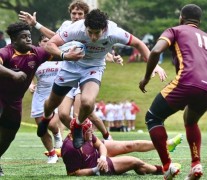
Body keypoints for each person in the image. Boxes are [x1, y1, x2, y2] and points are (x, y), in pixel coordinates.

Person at [39, 9, 167, 149]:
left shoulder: (114, 32)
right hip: (70, 66)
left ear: (104, 29)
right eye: (90, 32)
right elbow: (50, 45)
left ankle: (78, 125)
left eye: (97, 33)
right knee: (51, 103)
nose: (93, 37)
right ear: (85, 27)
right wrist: (65, 56)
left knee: (88, 103)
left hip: (93, 68)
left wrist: (154, 66)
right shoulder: (76, 28)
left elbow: (139, 44)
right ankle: (45, 118)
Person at [139, 4, 207, 180]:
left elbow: (156, 51)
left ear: (181, 18)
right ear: (199, 21)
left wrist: (146, 78)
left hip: (187, 81)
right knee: (190, 120)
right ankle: (196, 164)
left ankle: (167, 166)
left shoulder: (175, 30)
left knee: (153, 117)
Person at [19, 1, 114, 140]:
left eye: (80, 14)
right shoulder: (66, 26)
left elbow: (101, 45)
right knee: (63, 114)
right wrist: (36, 24)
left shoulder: (93, 29)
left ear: (86, 16)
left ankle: (105, 138)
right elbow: (54, 38)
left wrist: (111, 56)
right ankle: (84, 138)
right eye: (74, 13)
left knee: (86, 110)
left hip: (87, 74)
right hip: (69, 72)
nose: (76, 16)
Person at [0, 22, 80, 176]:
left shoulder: (37, 53)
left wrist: (70, 55)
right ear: (14, 40)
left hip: (15, 101)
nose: (28, 39)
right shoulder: (6, 52)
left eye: (29, 36)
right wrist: (13, 74)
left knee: (9, 134)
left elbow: (58, 55)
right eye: (23, 37)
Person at [62, 119, 182, 176]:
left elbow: (100, 145)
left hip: (99, 157)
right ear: (78, 133)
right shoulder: (70, 148)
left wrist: (103, 157)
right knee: (135, 161)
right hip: (95, 167)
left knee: (131, 144)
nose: (91, 132)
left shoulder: (84, 135)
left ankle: (166, 144)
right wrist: (96, 169)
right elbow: (73, 173)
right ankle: (163, 170)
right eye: (88, 131)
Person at [29, 35, 63, 163]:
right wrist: (31, 85)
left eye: (50, 41)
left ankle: (57, 135)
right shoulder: (35, 59)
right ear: (39, 43)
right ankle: (52, 154)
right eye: (44, 41)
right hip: (40, 97)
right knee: (41, 128)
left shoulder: (61, 57)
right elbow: (28, 75)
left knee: (52, 124)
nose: (48, 43)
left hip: (57, 96)